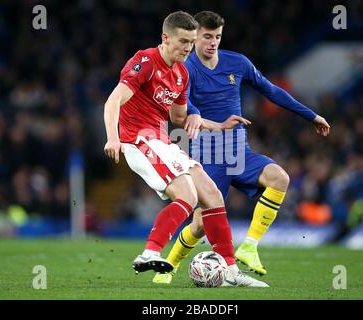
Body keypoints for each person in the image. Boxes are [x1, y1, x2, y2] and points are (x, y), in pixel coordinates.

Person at [153, 11, 330, 284]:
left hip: (238, 150)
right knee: (199, 224)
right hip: (207, 153)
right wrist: (198, 115)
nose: (213, 42)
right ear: (195, 37)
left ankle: (249, 246)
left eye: (218, 37)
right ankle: (171, 264)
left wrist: (311, 115)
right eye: (207, 36)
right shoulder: (184, 69)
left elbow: (271, 90)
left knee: (279, 178)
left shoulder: (238, 63)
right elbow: (185, 105)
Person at [103, 11, 268, 287]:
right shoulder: (145, 61)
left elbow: (180, 118)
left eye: (191, 42)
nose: (188, 48)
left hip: (163, 140)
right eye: (183, 41)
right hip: (138, 138)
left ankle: (229, 270)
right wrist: (112, 138)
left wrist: (217, 125)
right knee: (188, 195)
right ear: (165, 38)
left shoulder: (181, 74)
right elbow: (113, 101)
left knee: (212, 195)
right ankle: (149, 253)